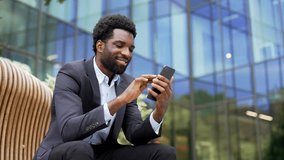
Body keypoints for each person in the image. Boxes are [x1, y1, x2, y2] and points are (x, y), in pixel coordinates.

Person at [33, 14, 176, 160]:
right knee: (81, 149)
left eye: (131, 49)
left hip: (103, 153)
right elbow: (70, 130)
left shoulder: (126, 83)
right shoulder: (72, 73)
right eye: (119, 45)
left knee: (164, 153)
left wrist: (160, 110)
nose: (127, 53)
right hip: (64, 151)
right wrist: (121, 100)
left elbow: (135, 136)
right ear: (100, 46)